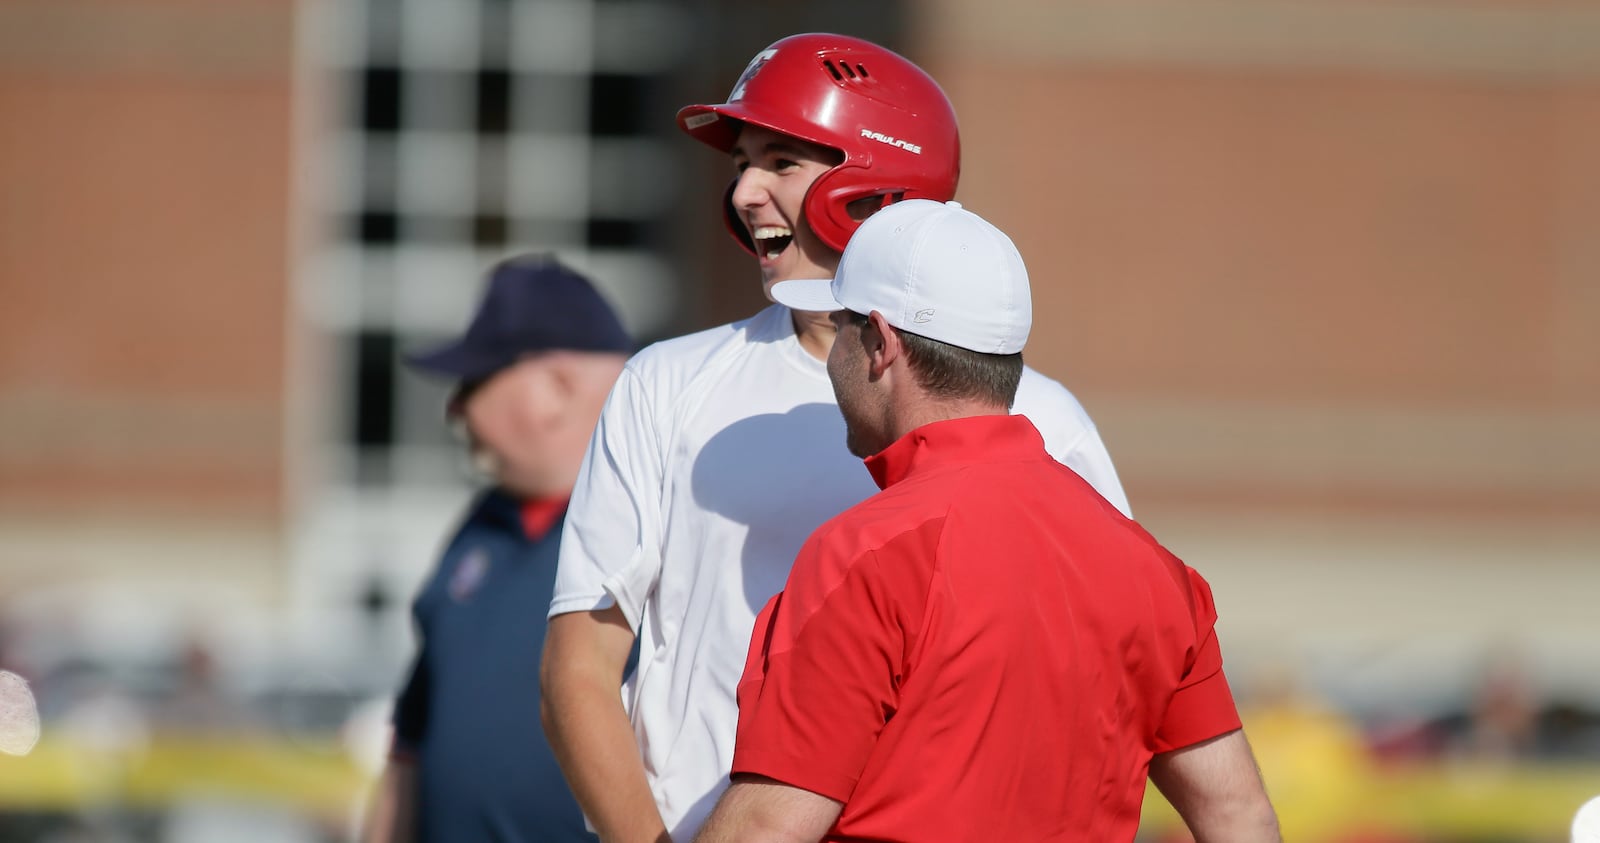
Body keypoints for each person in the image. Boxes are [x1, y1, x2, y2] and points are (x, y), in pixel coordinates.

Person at [540, 33, 1130, 843]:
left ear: (880, 186)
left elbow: (1111, 677)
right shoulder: (666, 383)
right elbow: (577, 671)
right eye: (743, 161)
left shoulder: (1042, 418)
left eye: (780, 162)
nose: (745, 191)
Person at [693, 198, 1281, 843]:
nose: (833, 357)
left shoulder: (865, 552)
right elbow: (1238, 815)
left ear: (881, 343)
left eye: (840, 326)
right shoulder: (1153, 569)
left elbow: (768, 826)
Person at [363, 255, 631, 843]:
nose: (457, 409)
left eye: (475, 382)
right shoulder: (481, 526)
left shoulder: (666, 523)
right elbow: (411, 744)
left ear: (558, 387)